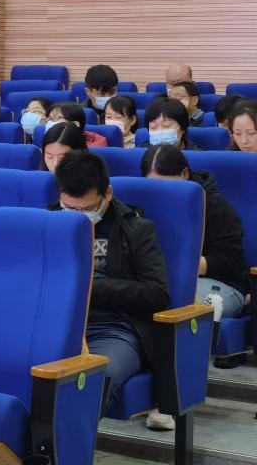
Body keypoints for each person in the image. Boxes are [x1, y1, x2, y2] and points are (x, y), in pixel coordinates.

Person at [50, 151, 169, 420]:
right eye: (69, 208)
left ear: (107, 194)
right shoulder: (48, 222)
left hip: (114, 329)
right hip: (55, 325)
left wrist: (88, 288)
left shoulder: (135, 229)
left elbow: (157, 292)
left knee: (92, 382)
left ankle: (63, 443)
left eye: (86, 209)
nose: (77, 217)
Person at [141, 144, 248, 319]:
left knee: (176, 304)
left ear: (184, 174)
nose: (161, 192)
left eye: (165, 185)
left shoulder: (215, 205)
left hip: (220, 282)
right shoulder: (145, 204)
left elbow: (230, 260)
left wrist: (183, 266)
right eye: (152, 185)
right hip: (162, 279)